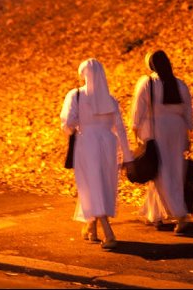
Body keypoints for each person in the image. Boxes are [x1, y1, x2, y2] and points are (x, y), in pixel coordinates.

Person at [60, 58, 134, 250]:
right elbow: (121, 128)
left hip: (87, 144)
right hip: (109, 144)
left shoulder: (75, 95)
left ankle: (108, 233)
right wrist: (127, 157)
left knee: (91, 186)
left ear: (83, 74)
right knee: (104, 184)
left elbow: (68, 123)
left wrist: (75, 127)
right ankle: (91, 227)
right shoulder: (110, 99)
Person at [130, 50, 193, 235]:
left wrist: (134, 130)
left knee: (160, 172)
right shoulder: (180, 84)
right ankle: (154, 214)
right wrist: (189, 132)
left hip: (156, 130)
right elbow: (187, 111)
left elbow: (138, 110)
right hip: (178, 130)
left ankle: (180, 215)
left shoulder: (147, 83)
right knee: (173, 170)